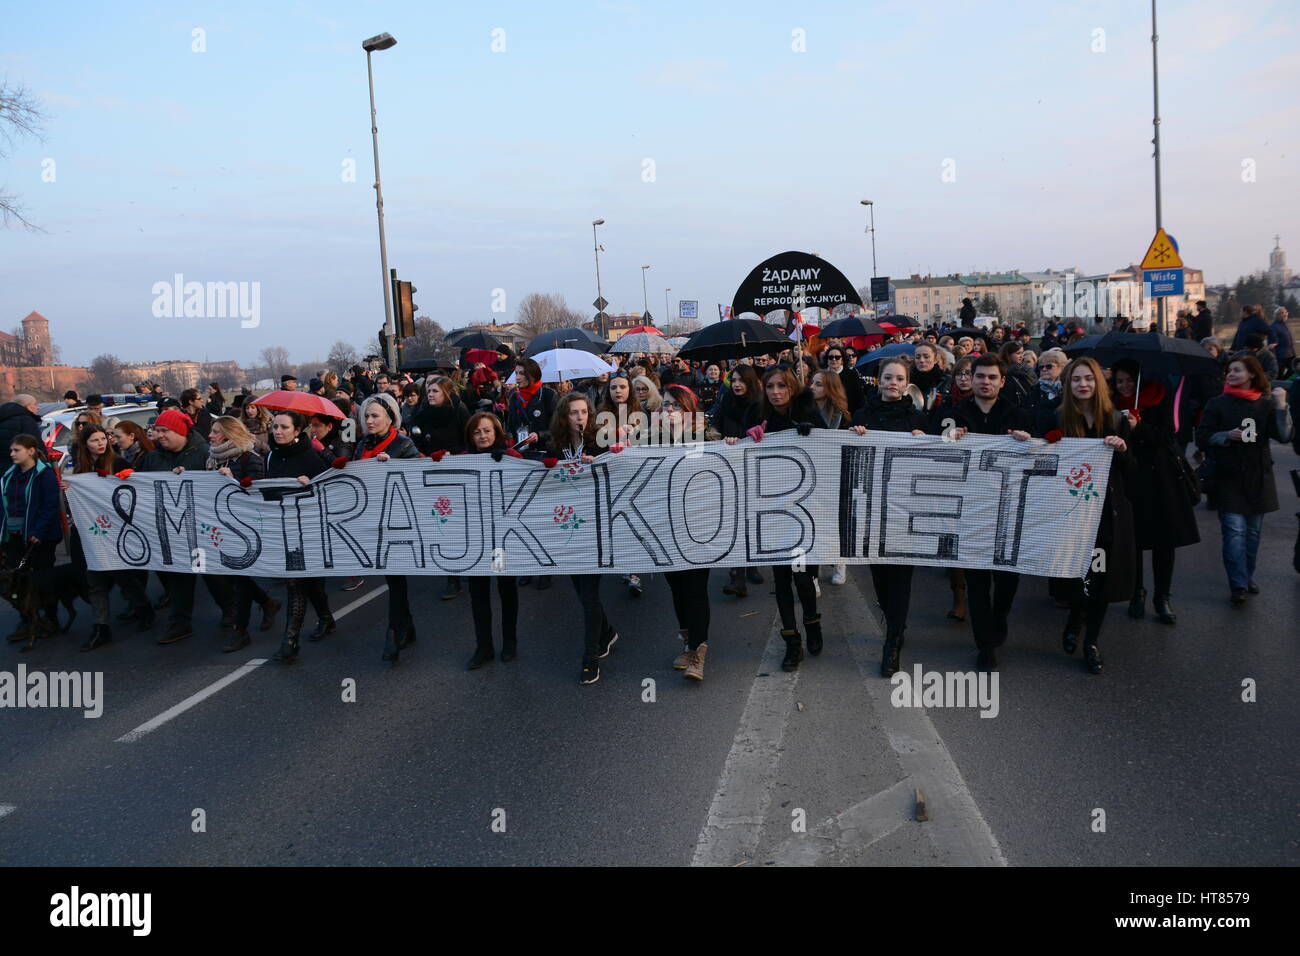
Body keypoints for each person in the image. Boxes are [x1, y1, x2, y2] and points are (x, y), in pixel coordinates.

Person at [941, 355, 1033, 670]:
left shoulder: (1017, 414)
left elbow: (1042, 448)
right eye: (980, 376)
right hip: (971, 512)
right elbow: (931, 441)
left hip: (1007, 511)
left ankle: (999, 621)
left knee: (1006, 581)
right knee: (978, 582)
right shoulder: (955, 414)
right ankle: (985, 644)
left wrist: (1028, 441)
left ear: (1002, 381)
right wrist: (947, 438)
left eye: (992, 377)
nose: (985, 382)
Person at [1046, 358, 1137, 674]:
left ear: (1098, 383)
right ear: (1068, 385)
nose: (1083, 384)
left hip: (1106, 515)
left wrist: (1123, 449)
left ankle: (1091, 642)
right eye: (1076, 380)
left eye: (1088, 379)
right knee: (1076, 574)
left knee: (1102, 580)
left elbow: (1132, 472)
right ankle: (1074, 618)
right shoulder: (1058, 418)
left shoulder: (1114, 419)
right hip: (1072, 513)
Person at [731, 366, 823, 672]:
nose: (776, 392)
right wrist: (747, 438)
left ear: (792, 387)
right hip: (771, 515)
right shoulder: (756, 415)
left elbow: (831, 447)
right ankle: (792, 642)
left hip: (804, 514)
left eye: (782, 385)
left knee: (802, 577)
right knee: (781, 580)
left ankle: (812, 622)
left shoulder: (807, 410)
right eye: (770, 386)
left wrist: (811, 432)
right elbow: (740, 454)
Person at [849, 357, 929, 676]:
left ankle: (892, 640)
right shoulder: (863, 415)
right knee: (880, 579)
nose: (892, 383)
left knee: (900, 577)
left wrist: (925, 440)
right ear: (878, 381)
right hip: (872, 509)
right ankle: (893, 620)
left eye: (899, 378)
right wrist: (854, 434)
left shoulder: (916, 417)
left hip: (904, 510)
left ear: (906, 383)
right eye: (887, 378)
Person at [1195, 355, 1293, 604]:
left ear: (1252, 374)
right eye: (1229, 370)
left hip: (1258, 477)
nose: (1230, 374)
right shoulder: (1217, 403)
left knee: (1252, 533)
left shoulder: (1266, 404)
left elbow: (1283, 436)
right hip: (1227, 477)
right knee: (1234, 531)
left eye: (1237, 370)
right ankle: (1237, 583)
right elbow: (1202, 438)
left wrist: (1282, 406)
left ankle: (1247, 576)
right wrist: (1226, 435)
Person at [1111, 361, 1200, 624]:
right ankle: (1136, 591)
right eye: (1119, 381)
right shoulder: (1111, 404)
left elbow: (1168, 436)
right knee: (1134, 541)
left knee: (1164, 541)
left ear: (1139, 380)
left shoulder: (1159, 397)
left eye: (1129, 380)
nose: (1124, 385)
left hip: (1161, 479)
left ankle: (1162, 597)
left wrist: (1139, 427)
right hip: (1130, 479)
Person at [338, 392, 422, 660]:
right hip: (374, 521)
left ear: (390, 417)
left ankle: (394, 632)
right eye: (366, 416)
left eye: (375, 415)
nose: (370, 420)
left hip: (400, 522)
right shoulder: (362, 445)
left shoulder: (403, 444)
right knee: (392, 578)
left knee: (395, 577)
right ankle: (405, 625)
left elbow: (421, 474)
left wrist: (395, 465)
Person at [548, 392, 619, 685]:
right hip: (567, 529)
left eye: (584, 412)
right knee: (580, 591)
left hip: (596, 527)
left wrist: (602, 462)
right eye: (574, 413)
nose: (580, 418)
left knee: (589, 595)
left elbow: (618, 469)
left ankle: (590, 658)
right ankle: (607, 632)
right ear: (564, 417)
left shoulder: (599, 441)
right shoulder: (555, 443)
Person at [134, 408, 221, 644]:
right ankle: (179, 623)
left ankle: (237, 613)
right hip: (171, 532)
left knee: (215, 578)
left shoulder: (204, 453)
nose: (159, 435)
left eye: (165, 431)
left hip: (203, 529)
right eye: (157, 430)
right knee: (178, 578)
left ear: (181, 432)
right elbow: (139, 486)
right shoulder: (152, 458)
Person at [258, 410, 333, 661]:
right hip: (283, 528)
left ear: (297, 431)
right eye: (275, 426)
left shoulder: (310, 457)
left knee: (297, 584)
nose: (277, 431)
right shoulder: (270, 456)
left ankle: (290, 641)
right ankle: (326, 618)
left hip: (309, 531)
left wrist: (309, 486)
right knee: (307, 584)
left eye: (284, 427)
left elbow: (328, 491)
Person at [206, 416, 280, 652]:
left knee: (238, 579)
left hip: (245, 528)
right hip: (221, 526)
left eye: (216, 431)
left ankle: (241, 630)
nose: (210, 435)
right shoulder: (211, 459)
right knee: (234, 578)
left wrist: (233, 481)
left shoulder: (250, 458)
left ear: (228, 434)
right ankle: (267, 602)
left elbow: (257, 495)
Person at [459, 412, 523, 669]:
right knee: (478, 593)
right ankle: (483, 645)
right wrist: (436, 462)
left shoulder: (511, 458)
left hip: (500, 541)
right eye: (477, 432)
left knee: (505, 589)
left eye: (487, 431)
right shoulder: (461, 460)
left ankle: (509, 641)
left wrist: (509, 462)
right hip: (474, 539)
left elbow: (530, 480)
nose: (483, 436)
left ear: (496, 433)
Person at [659, 386, 713, 680]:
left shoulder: (705, 440)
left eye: (675, 406)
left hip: (698, 527)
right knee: (677, 589)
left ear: (689, 412)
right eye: (665, 405)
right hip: (665, 527)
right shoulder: (650, 442)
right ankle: (687, 642)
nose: (668, 410)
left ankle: (698, 653)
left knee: (695, 589)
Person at [67, 425, 130, 651]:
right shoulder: (79, 469)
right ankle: (101, 627)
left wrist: (127, 479)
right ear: (86, 445)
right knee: (94, 579)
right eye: (95, 440)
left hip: (116, 532)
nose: (101, 444)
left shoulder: (119, 462)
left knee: (124, 577)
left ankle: (142, 608)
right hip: (91, 532)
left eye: (103, 438)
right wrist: (68, 490)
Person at [1, 435, 62, 650]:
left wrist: (39, 530)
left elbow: (50, 505)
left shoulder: (43, 475)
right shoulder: (9, 475)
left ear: (31, 451)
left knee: (44, 578)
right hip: (15, 535)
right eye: (11, 450)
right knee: (18, 580)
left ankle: (51, 619)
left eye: (16, 450)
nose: (12, 454)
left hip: (40, 536)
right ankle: (27, 620)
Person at [505, 357, 557, 459]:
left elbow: (558, 428)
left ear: (532, 375)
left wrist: (539, 435)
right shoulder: (514, 397)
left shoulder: (549, 395)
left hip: (544, 454)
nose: (517, 378)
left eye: (522, 373)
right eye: (516, 373)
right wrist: (509, 440)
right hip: (520, 456)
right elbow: (510, 427)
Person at [821, 346, 865, 412]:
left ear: (842, 360)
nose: (834, 359)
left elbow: (859, 397)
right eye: (830, 357)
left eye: (837, 357)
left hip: (848, 412)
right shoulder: (821, 375)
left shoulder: (852, 374)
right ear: (827, 360)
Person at [1270, 307, 1295, 376]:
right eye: (1282, 313)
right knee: (1279, 374)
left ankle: (1285, 383)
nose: (1285, 314)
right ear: (1276, 315)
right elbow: (1272, 343)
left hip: (1291, 354)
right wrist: (1274, 357)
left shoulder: (1286, 325)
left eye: (1286, 312)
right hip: (1280, 356)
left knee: (1293, 370)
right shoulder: (1273, 327)